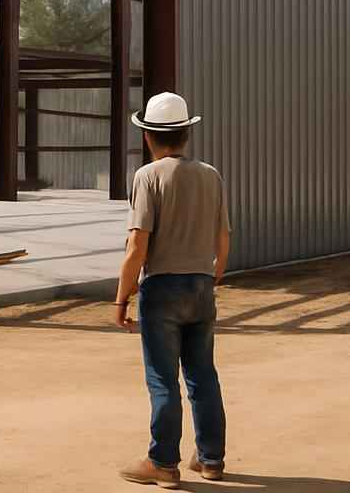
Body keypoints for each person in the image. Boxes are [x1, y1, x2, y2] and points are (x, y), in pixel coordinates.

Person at [114, 91, 231, 489]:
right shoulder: (211, 175)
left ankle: (163, 463)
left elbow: (137, 246)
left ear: (148, 136)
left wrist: (121, 297)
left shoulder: (148, 177)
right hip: (201, 285)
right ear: (185, 135)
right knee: (203, 375)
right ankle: (211, 459)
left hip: (162, 287)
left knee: (163, 380)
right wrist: (211, 278)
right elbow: (223, 239)